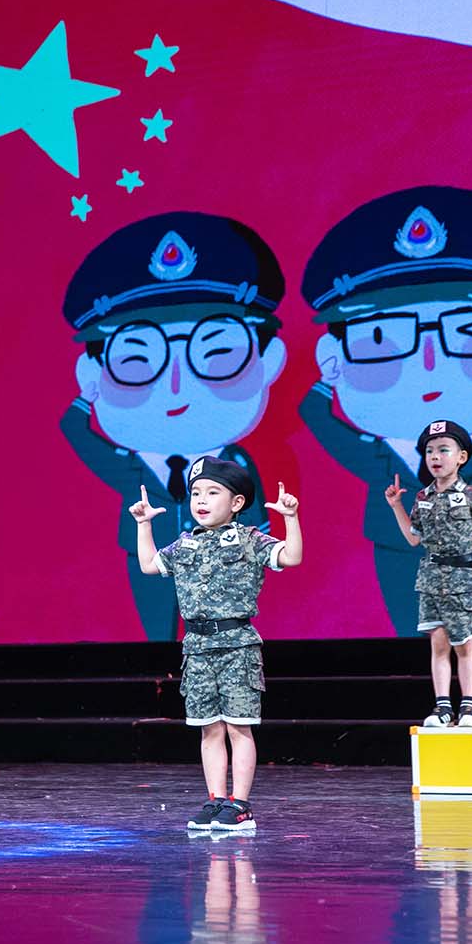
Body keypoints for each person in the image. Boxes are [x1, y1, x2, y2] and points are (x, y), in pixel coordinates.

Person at [299, 186, 472, 636]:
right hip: (399, 548)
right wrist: (323, 383)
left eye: (470, 331)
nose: (428, 364)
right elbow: (317, 420)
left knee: (464, 632)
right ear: (335, 353)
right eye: (381, 338)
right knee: (409, 627)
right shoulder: (375, 454)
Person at [62, 211, 289, 640]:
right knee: (157, 635)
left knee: (222, 634)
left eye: (217, 352)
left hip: (222, 564)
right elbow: (75, 432)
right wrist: (82, 400)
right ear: (92, 373)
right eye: (136, 359)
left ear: (268, 360)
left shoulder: (235, 464)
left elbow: (256, 523)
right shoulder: (128, 466)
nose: (176, 387)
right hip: (150, 557)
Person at [129, 457, 302, 833]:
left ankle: (240, 805)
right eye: (196, 493)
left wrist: (291, 518)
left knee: (239, 727)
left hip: (237, 646)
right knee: (209, 728)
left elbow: (290, 556)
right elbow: (149, 565)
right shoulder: (186, 543)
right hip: (197, 648)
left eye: (212, 492)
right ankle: (216, 800)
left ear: (236, 502)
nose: (201, 500)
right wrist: (144, 525)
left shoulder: (250, 539)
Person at [383, 420, 472, 727]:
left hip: (462, 579)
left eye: (444, 450)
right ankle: (442, 707)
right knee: (438, 645)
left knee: (464, 645)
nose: (435, 457)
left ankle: (469, 707)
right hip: (430, 578)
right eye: (430, 451)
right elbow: (413, 538)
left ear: (461, 457)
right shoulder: (422, 497)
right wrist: (396, 505)